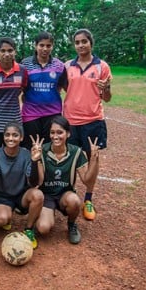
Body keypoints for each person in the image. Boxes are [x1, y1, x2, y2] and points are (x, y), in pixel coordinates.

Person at [63, 28, 111, 221]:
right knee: (71, 160)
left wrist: (106, 89)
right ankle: (72, 194)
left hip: (93, 121)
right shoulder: (67, 66)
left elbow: (106, 98)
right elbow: (66, 89)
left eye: (84, 41)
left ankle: (88, 199)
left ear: (91, 42)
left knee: (93, 159)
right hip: (70, 120)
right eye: (77, 42)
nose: (81, 45)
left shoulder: (102, 66)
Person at [35, 116, 98, 244]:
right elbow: (39, 182)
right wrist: (35, 160)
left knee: (75, 201)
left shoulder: (76, 152)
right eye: (52, 132)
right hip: (47, 195)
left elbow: (86, 180)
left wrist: (93, 160)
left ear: (68, 134)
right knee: (43, 228)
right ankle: (43, 214)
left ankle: (71, 225)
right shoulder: (42, 150)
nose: (55, 136)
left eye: (60, 132)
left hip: (65, 194)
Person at [0, 122, 44, 249]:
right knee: (1, 220)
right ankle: (8, 214)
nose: (11, 138)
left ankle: (29, 229)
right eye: (7, 135)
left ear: (21, 137)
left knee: (38, 195)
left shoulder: (27, 154)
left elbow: (34, 183)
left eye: (15, 135)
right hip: (2, 196)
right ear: (3, 137)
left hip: (21, 195)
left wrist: (34, 161)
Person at [20, 31, 66, 146]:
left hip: (53, 113)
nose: (45, 49)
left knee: (49, 149)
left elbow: (62, 86)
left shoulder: (59, 65)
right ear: (35, 46)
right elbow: (21, 87)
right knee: (31, 149)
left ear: (52, 46)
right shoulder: (25, 64)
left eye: (48, 45)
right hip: (30, 114)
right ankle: (33, 165)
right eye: (41, 45)